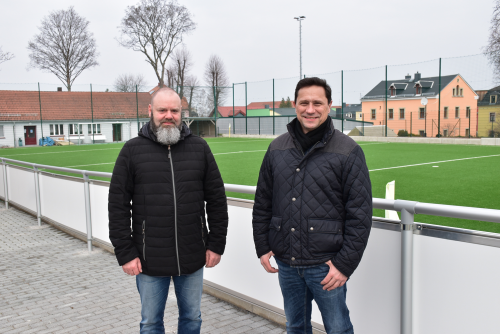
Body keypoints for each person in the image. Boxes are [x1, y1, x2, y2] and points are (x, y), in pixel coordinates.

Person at [252, 77, 372, 334]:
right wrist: (262, 246)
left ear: (330, 105)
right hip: (287, 262)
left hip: (327, 266)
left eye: (317, 103)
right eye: (304, 102)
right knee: (295, 327)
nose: (310, 109)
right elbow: (262, 202)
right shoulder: (276, 148)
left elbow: (360, 215)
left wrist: (344, 266)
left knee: (338, 329)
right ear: (294, 105)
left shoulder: (348, 151)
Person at [108, 87, 228, 334]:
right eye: (162, 110)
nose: (169, 115)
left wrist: (216, 244)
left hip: (192, 256)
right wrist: (125, 252)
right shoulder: (132, 150)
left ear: (181, 113)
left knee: (192, 319)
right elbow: (117, 206)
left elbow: (216, 200)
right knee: (151, 323)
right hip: (148, 259)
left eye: (174, 110)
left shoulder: (200, 148)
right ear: (150, 110)